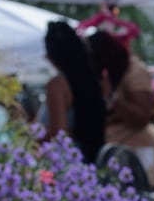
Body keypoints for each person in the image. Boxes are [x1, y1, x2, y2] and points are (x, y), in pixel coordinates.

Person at [85, 29, 154, 187]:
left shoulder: (134, 72)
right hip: (123, 148)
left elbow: (142, 116)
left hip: (143, 147)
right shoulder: (112, 73)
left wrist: (113, 99)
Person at [43, 21, 106, 165]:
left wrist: (32, 137)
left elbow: (59, 134)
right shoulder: (91, 80)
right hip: (90, 159)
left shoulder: (57, 85)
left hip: (66, 165)